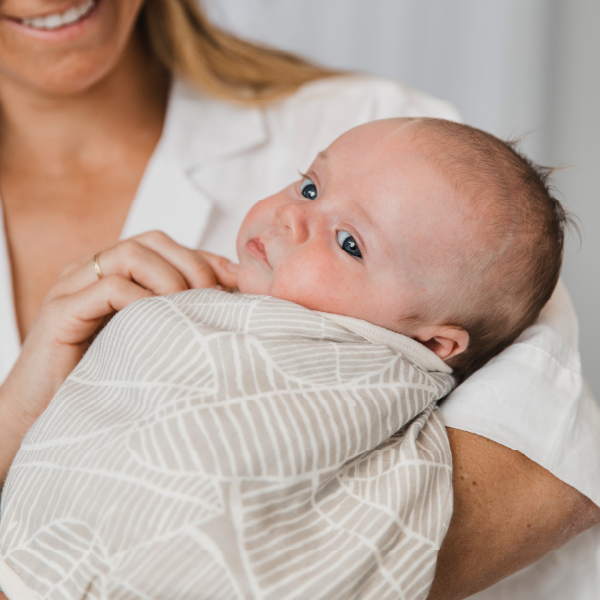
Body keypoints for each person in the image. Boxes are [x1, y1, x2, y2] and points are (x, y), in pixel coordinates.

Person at [0, 0, 597, 598]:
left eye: (348, 243)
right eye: (307, 187)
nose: (291, 215)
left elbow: (548, 465)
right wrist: (19, 408)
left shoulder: (407, 147)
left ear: (436, 343)